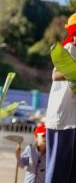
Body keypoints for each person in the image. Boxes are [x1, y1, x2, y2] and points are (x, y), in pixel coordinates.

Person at [45, 12, 76, 183]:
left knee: (71, 174)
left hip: (74, 120)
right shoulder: (69, 49)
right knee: (57, 173)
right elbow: (55, 74)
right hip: (62, 120)